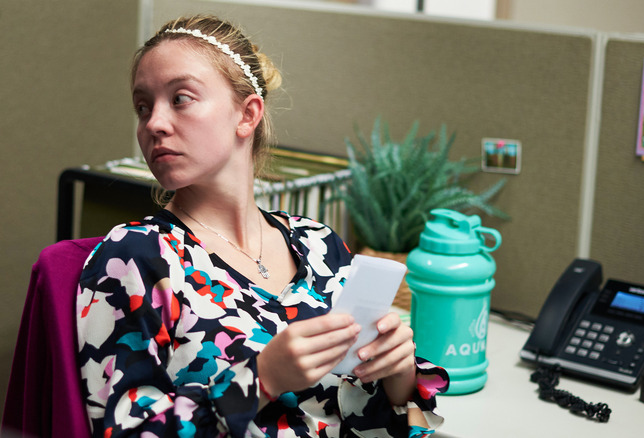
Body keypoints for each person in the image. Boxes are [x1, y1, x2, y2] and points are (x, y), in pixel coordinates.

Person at [76, 14, 448, 437]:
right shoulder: (135, 257)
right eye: (143, 107)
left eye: (180, 98)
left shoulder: (319, 245)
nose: (153, 124)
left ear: (247, 114)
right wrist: (262, 380)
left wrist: (397, 376)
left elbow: (362, 413)